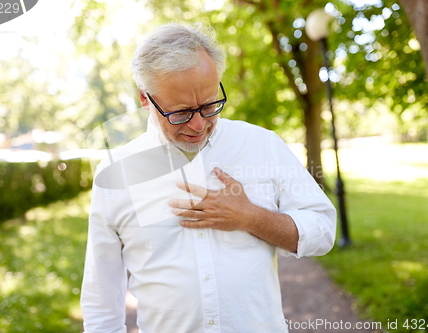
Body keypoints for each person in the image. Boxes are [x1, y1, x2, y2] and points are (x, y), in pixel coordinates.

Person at [80, 23, 336, 333]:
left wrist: (250, 217)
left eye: (209, 105)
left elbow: (322, 230)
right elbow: (101, 297)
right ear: (145, 98)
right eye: (181, 112)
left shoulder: (262, 145)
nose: (199, 124)